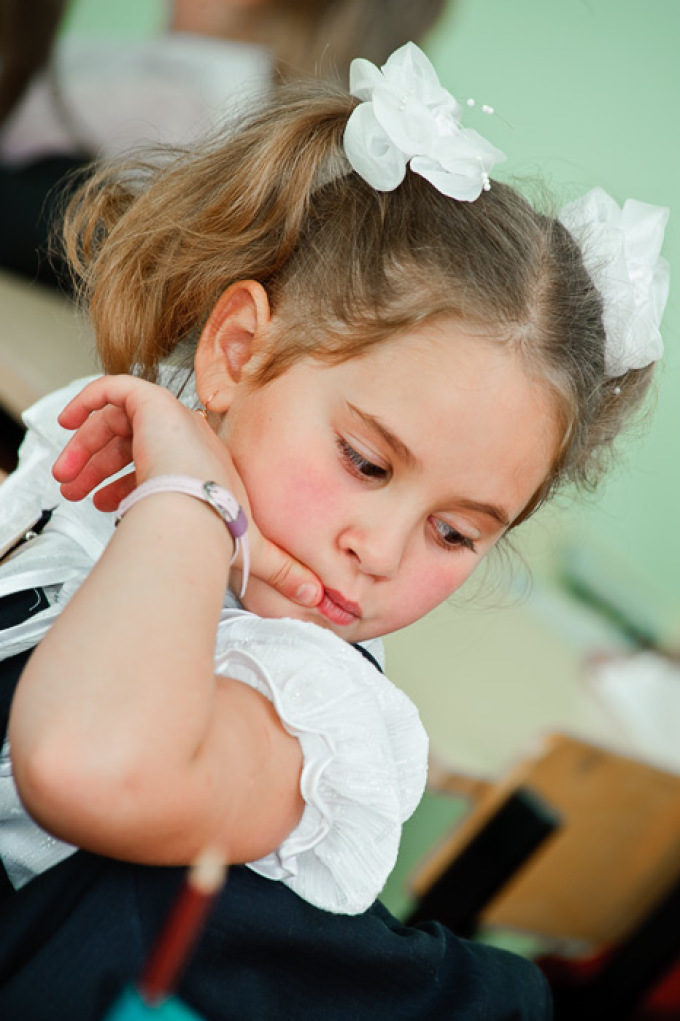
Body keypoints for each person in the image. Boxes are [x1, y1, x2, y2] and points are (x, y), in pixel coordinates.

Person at [0, 41, 669, 1019]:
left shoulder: (310, 717)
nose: (382, 551)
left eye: (454, 533)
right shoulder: (117, 470)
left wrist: (194, 503)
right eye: (364, 463)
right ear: (234, 353)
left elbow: (89, 768)